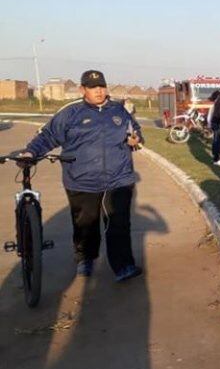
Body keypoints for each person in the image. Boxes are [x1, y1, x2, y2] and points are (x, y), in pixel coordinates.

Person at [18, 70, 143, 281]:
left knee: (119, 223)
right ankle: (85, 258)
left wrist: (136, 139)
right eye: (93, 87)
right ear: (82, 89)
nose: (99, 91)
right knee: (86, 223)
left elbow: (136, 133)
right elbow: (47, 136)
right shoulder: (70, 112)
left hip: (119, 178)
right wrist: (31, 152)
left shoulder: (119, 110)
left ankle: (123, 266)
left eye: (102, 87)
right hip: (81, 180)